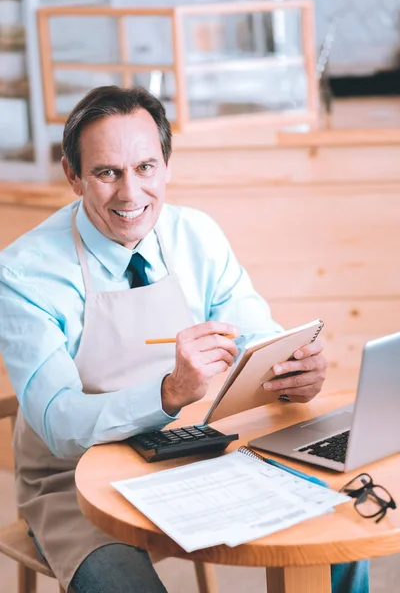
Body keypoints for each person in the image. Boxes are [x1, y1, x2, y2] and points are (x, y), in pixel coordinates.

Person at [0, 86, 368, 593]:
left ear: (167, 165)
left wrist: (290, 371)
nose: (131, 194)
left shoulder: (198, 235)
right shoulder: (24, 272)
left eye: (146, 167)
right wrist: (169, 392)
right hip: (74, 477)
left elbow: (255, 336)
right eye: (108, 172)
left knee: (338, 530)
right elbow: (61, 422)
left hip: (198, 445)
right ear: (73, 175)